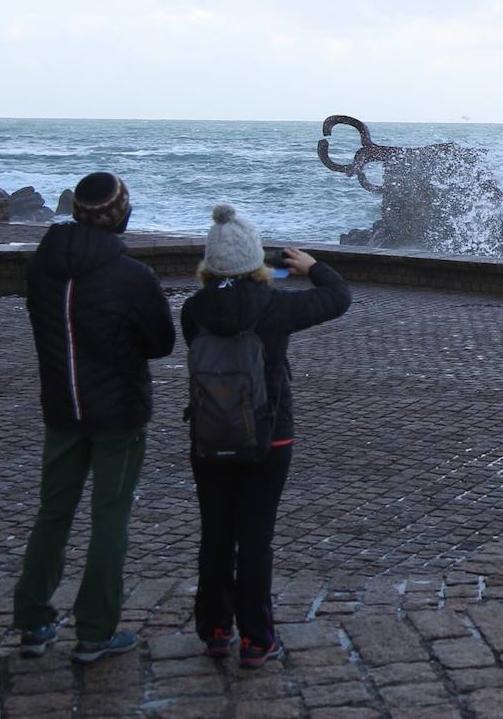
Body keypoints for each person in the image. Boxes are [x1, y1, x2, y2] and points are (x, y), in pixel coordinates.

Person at [14, 172, 176, 663]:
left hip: (62, 406)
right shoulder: (131, 275)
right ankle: (95, 631)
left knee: (53, 513)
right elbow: (161, 342)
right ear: (121, 214)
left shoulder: (43, 265)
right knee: (110, 518)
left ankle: (33, 621)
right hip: (119, 413)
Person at [181, 204, 350, 668]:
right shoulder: (275, 305)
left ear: (210, 263)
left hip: (210, 435)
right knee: (255, 539)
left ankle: (215, 629)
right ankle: (257, 639)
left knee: (216, 534)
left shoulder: (193, 310)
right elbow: (338, 297)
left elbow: (222, 304)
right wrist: (313, 266)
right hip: (270, 434)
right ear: (255, 260)